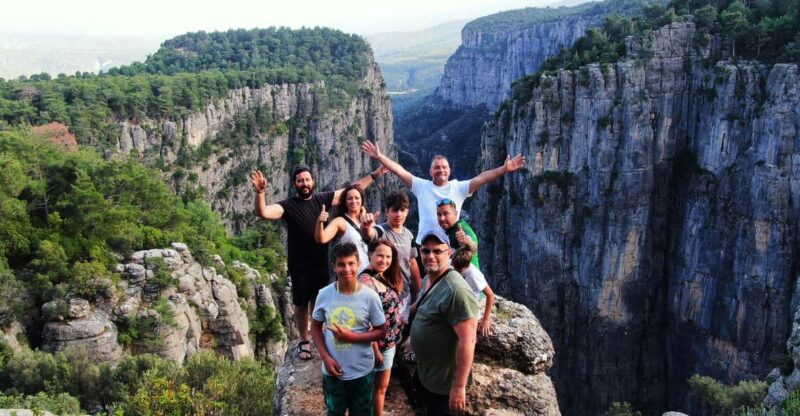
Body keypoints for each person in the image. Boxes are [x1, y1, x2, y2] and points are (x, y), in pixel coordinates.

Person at [251, 165, 386, 360]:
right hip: (299, 263)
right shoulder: (288, 206)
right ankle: (304, 340)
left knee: (318, 301)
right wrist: (261, 193)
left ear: (313, 181)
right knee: (300, 303)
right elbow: (263, 212)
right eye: (300, 181)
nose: (304, 183)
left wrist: (374, 175)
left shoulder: (321, 199)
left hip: (321, 262)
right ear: (294, 184)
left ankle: (319, 336)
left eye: (307, 180)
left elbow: (352, 190)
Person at [361, 139, 526, 243]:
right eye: (436, 168)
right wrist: (380, 157)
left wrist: (504, 169)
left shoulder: (459, 188)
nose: (440, 170)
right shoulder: (421, 186)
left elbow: (483, 177)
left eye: (444, 167)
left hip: (450, 247)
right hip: (423, 245)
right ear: (430, 172)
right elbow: (399, 170)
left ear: (449, 170)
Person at [311, 242, 388, 416]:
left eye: (351, 263)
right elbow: (315, 327)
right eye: (341, 264)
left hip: (361, 371)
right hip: (333, 372)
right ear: (334, 266)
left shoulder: (370, 297)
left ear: (359, 263)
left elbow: (381, 331)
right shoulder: (324, 294)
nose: (347, 269)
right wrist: (325, 358)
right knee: (334, 412)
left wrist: (351, 337)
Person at [410, 228, 479, 414]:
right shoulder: (428, 279)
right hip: (427, 375)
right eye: (425, 251)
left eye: (437, 251)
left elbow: (468, 340)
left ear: (449, 253)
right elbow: (420, 304)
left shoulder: (456, 290)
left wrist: (458, 387)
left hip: (444, 387)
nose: (430, 256)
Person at [357, 240, 404, 416]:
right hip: (377, 347)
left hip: (388, 343)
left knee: (380, 389)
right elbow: (364, 321)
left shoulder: (382, 275)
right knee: (373, 389)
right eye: (380, 255)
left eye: (388, 257)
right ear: (370, 255)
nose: (384, 260)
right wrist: (375, 350)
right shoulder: (366, 281)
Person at [361, 190, 421, 321]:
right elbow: (370, 234)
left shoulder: (409, 235)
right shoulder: (381, 231)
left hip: (404, 293)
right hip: (383, 293)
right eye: (394, 210)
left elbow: (412, 262)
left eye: (402, 210)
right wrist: (365, 227)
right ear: (387, 211)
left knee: (400, 329)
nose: (398, 214)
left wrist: (420, 291)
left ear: (407, 211)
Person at [315, 183, 377, 274]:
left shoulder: (369, 220)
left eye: (357, 198)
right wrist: (320, 221)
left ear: (362, 201)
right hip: (350, 274)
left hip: (369, 275)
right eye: (349, 198)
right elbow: (321, 238)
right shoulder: (340, 222)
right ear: (345, 202)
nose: (353, 201)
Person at [451, 248, 494, 338]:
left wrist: (485, 319)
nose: (452, 267)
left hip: (469, 312)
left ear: (463, 267)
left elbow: (490, 295)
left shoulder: (474, 275)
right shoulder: (455, 265)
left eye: (455, 267)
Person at [436, 198, 480, 269]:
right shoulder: (449, 231)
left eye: (446, 214)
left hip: (469, 277)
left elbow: (474, 248)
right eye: (439, 214)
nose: (442, 218)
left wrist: (467, 242)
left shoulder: (461, 226)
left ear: (455, 214)